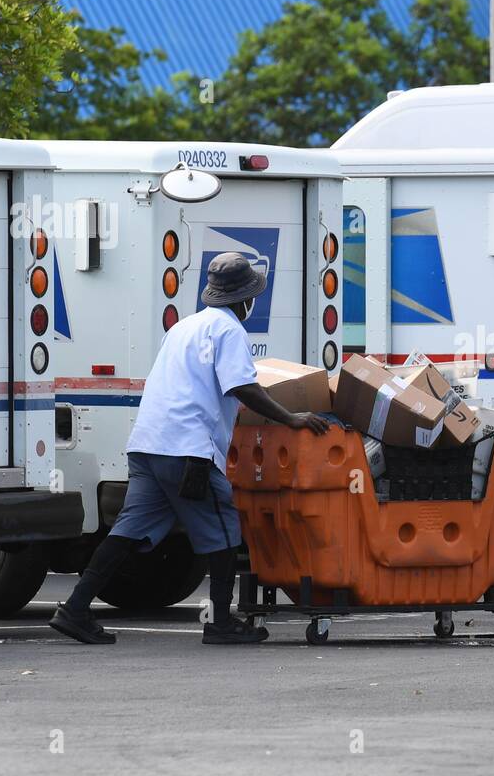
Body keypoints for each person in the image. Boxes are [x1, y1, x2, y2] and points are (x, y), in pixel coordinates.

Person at [50, 252, 329, 646]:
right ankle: (219, 623)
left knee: (127, 530)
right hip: (188, 451)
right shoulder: (230, 331)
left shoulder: (183, 327)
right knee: (224, 529)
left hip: (147, 445)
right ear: (246, 299)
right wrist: (292, 418)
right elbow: (241, 387)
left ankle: (74, 609)